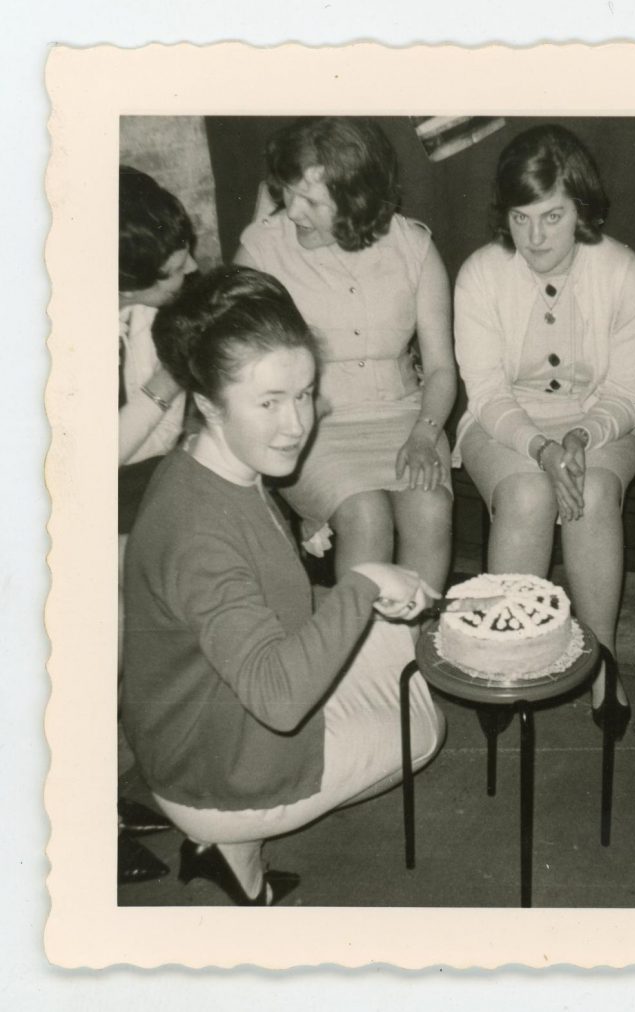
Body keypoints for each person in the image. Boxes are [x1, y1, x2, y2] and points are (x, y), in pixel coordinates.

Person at [121, 266, 444, 905]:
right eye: (269, 402)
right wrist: (362, 581)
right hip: (219, 770)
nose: (297, 423)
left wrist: (309, 547)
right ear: (208, 404)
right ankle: (232, 839)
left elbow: (248, 586)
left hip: (197, 722)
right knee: (425, 723)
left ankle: (232, 865)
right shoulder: (199, 532)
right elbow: (277, 699)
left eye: (304, 393)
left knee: (407, 646)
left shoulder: (207, 465)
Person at [453, 124, 635, 736]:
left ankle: (602, 664)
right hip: (505, 425)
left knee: (592, 493)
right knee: (526, 494)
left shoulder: (624, 273)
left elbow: (625, 393)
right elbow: (486, 393)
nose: (534, 236)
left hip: (601, 421)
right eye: (520, 218)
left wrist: (580, 440)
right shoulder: (481, 275)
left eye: (552, 216)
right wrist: (541, 448)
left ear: (581, 209)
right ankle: (506, 660)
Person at [235, 117, 456, 594]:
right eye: (287, 192)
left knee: (430, 506)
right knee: (365, 513)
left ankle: (412, 653)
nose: (292, 211)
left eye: (311, 200)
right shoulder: (263, 250)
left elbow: (440, 368)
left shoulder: (413, 246)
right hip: (312, 424)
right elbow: (237, 365)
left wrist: (424, 433)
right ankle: (354, 660)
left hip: (406, 416)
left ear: (356, 197)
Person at [117, 165, 199, 883]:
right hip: (82, 501)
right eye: (175, 270)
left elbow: (166, 429)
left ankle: (124, 791)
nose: (193, 270)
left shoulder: (143, 311)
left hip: (148, 487)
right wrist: (165, 382)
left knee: (148, 651)